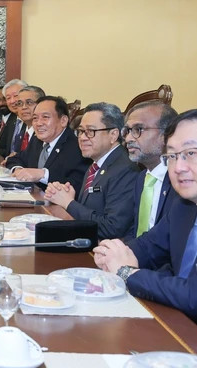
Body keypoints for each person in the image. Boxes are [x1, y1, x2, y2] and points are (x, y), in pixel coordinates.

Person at [93, 110, 197, 321]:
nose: (179, 167)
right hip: (176, 322)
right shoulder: (183, 206)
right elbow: (149, 246)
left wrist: (127, 273)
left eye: (191, 153)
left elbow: (193, 296)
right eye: (172, 156)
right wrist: (111, 253)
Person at [45, 102, 139, 240]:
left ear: (113, 135)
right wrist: (70, 197)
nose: (82, 138)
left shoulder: (125, 170)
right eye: (81, 131)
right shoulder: (96, 164)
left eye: (90, 131)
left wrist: (69, 203)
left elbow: (112, 228)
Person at [7, 95, 90, 190]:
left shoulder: (78, 148)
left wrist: (43, 175)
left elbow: (77, 185)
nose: (38, 123)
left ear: (63, 120)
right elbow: (16, 159)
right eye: (35, 118)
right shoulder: (37, 140)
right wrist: (18, 170)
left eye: (45, 117)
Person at [125, 101, 179, 237]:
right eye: (128, 131)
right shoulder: (142, 178)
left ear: (166, 135)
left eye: (138, 129)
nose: (128, 138)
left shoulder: (180, 179)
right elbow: (136, 230)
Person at [2, 85, 44, 165]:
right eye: (19, 103)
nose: (24, 107)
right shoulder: (21, 135)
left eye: (29, 102)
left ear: (41, 104)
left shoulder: (44, 134)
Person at [0, 79, 27, 156]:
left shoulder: (32, 121)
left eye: (16, 96)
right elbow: (9, 151)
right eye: (8, 98)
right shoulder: (12, 121)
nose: (12, 101)